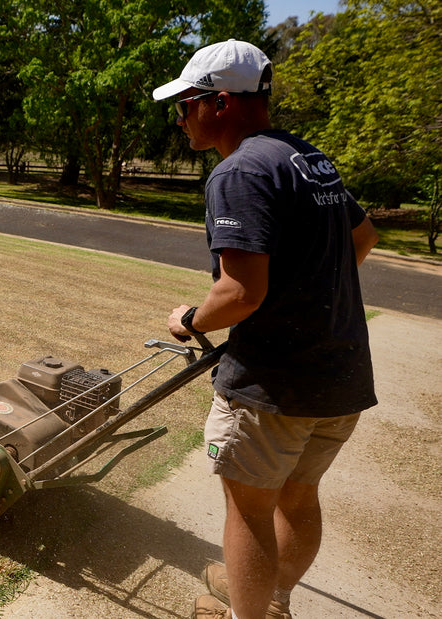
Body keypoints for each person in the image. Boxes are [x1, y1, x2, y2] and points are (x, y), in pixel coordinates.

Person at [152, 40, 379, 619]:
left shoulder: (239, 171)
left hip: (275, 385)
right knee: (299, 498)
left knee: (249, 510)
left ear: (219, 102)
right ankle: (272, 599)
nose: (179, 119)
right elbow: (364, 236)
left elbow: (239, 293)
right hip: (341, 377)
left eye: (183, 105)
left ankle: (244, 614)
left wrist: (188, 321)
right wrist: (307, 289)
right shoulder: (306, 156)